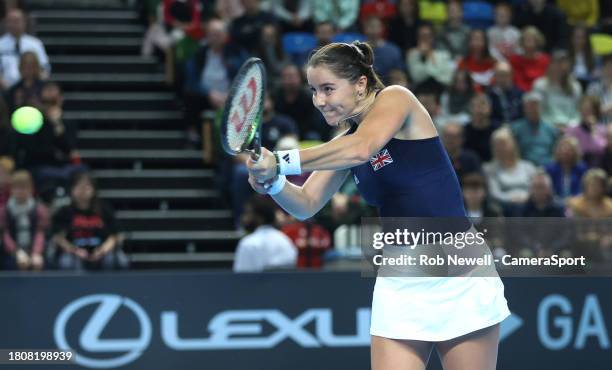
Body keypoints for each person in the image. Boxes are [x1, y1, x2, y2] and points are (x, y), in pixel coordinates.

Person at [246, 41, 510, 370]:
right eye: (314, 90)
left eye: (328, 88)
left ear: (360, 84)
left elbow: (363, 148)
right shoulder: (344, 143)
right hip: (400, 277)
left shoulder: (397, 99)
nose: (319, 100)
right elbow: (306, 204)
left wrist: (281, 162)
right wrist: (273, 182)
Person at [51, 172, 129, 271]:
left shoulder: (104, 209)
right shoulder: (64, 212)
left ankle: (110, 286)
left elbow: (116, 235)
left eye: (87, 187)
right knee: (67, 262)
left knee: (117, 260)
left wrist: (102, 250)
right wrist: (76, 251)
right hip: (74, 252)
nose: (83, 191)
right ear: (72, 189)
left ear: (93, 190)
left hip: (101, 252)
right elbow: (58, 238)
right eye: (79, 187)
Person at [233, 194, 297, 272]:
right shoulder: (285, 240)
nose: (244, 218)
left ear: (260, 218)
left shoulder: (248, 243)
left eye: (248, 213)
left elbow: (240, 280)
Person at [0, 170, 48, 270]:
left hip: (35, 252)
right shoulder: (4, 210)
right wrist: (17, 252)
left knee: (43, 265)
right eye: (17, 188)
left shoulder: (39, 209)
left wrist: (36, 253)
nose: (20, 191)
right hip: (11, 253)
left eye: (24, 188)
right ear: (11, 190)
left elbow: (40, 233)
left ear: (31, 189)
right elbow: (5, 234)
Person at [0, 8, 50, 90]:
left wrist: (37, 87)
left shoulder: (35, 44)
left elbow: (45, 69)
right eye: (9, 21)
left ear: (24, 22)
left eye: (16, 21)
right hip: (5, 90)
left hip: (33, 91)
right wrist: (8, 89)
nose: (13, 24)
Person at [510, 91, 558, 167]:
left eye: (536, 105)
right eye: (530, 106)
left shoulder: (551, 129)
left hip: (547, 167)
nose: (534, 109)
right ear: (524, 108)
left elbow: (555, 152)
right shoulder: (516, 129)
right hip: (524, 168)